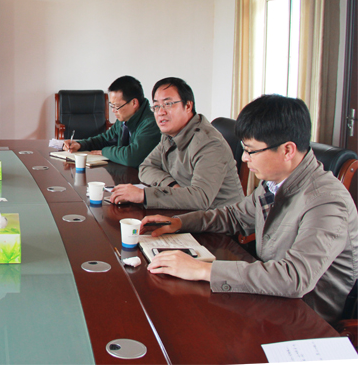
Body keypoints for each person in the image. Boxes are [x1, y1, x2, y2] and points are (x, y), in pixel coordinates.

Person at [140, 95, 358, 324]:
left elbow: (294, 277)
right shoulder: (275, 182)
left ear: (287, 150)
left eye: (251, 151)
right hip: (267, 296)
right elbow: (235, 215)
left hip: (304, 319)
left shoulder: (327, 201)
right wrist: (180, 222)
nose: (244, 158)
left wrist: (204, 270)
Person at [110, 77, 243, 209]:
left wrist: (144, 195)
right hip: (185, 210)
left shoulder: (209, 144)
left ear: (188, 106)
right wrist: (171, 185)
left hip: (218, 218)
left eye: (168, 104)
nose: (161, 112)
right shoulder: (170, 134)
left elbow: (200, 198)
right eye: (156, 106)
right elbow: (146, 167)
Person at [62, 76, 160, 167]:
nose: (113, 110)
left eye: (117, 106)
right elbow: (105, 139)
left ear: (134, 103)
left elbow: (131, 157)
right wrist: (80, 145)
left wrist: (104, 152)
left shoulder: (151, 123)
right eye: (111, 105)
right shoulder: (123, 120)